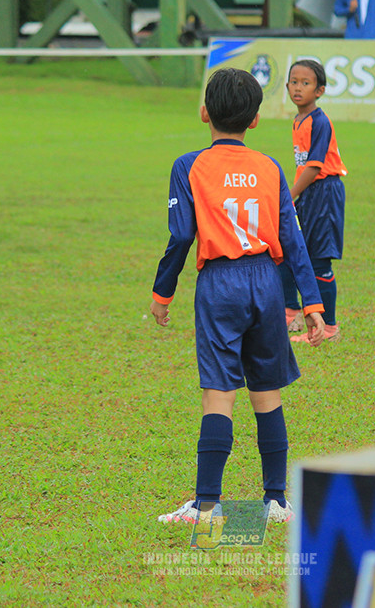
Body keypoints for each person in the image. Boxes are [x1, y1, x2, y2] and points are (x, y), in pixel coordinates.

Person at [150, 68, 326, 526]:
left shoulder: (188, 166)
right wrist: (312, 304)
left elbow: (181, 234)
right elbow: (293, 240)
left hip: (220, 285)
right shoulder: (269, 167)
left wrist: (161, 293)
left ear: (205, 113)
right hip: (266, 282)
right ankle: (276, 501)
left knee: (219, 395)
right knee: (266, 393)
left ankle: (207, 506)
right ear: (255, 120)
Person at [280, 59, 347, 343]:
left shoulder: (320, 121)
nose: (298, 88)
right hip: (306, 192)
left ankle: (329, 328)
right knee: (285, 252)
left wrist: (288, 195)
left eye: (305, 83)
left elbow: (315, 166)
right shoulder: (298, 120)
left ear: (319, 90)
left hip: (324, 193)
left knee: (319, 262)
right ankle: (291, 313)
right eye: (294, 82)